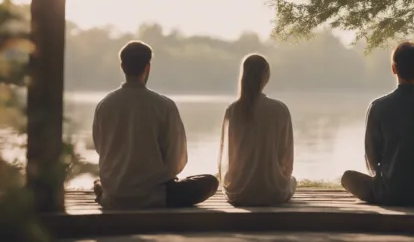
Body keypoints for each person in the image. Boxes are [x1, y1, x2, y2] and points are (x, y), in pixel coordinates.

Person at [92, 41, 218, 210]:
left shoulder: (104, 105)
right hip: (156, 197)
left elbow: (101, 149)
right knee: (210, 181)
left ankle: (107, 192)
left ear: (122, 66)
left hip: (114, 196)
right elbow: (177, 161)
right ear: (148, 67)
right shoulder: (164, 105)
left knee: (99, 183)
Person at [341, 42, 414, 206]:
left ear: (393, 69)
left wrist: (383, 179)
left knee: (347, 177)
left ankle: (383, 190)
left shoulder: (378, 107)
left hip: (390, 193)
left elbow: (371, 157)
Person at [218, 54, 296, 206]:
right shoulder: (279, 109)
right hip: (273, 193)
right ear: (266, 77)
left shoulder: (233, 110)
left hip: (239, 193)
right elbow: (287, 158)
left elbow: (228, 155)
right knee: (293, 181)